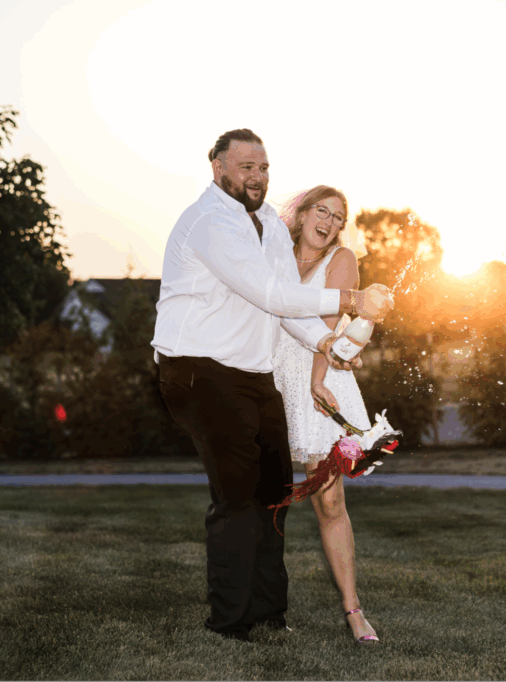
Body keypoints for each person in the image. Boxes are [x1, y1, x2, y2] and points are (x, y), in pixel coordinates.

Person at [151, 129, 393, 643]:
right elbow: (271, 292)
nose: (256, 176)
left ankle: (267, 611)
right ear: (217, 166)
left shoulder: (264, 223)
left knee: (273, 492)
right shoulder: (211, 222)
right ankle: (230, 621)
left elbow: (284, 310)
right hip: (198, 370)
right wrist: (350, 296)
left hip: (251, 373)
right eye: (245, 167)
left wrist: (325, 346)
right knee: (237, 496)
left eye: (262, 167)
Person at [270, 186, 380, 645]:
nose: (331, 223)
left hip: (323, 378)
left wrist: (318, 380)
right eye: (323, 211)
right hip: (272, 376)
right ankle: (263, 606)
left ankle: (353, 611)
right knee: (264, 498)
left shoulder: (343, 259)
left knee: (328, 500)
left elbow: (335, 324)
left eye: (338, 217)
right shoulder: (273, 254)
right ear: (303, 212)